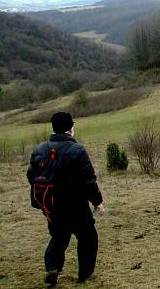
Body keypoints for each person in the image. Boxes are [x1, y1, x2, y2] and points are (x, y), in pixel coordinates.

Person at [27, 112, 104, 286]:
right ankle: (85, 273)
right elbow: (88, 180)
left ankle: (52, 267)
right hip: (76, 205)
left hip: (51, 205)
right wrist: (98, 202)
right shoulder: (77, 150)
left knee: (59, 236)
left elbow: (31, 175)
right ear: (70, 128)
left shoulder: (39, 149)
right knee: (88, 237)